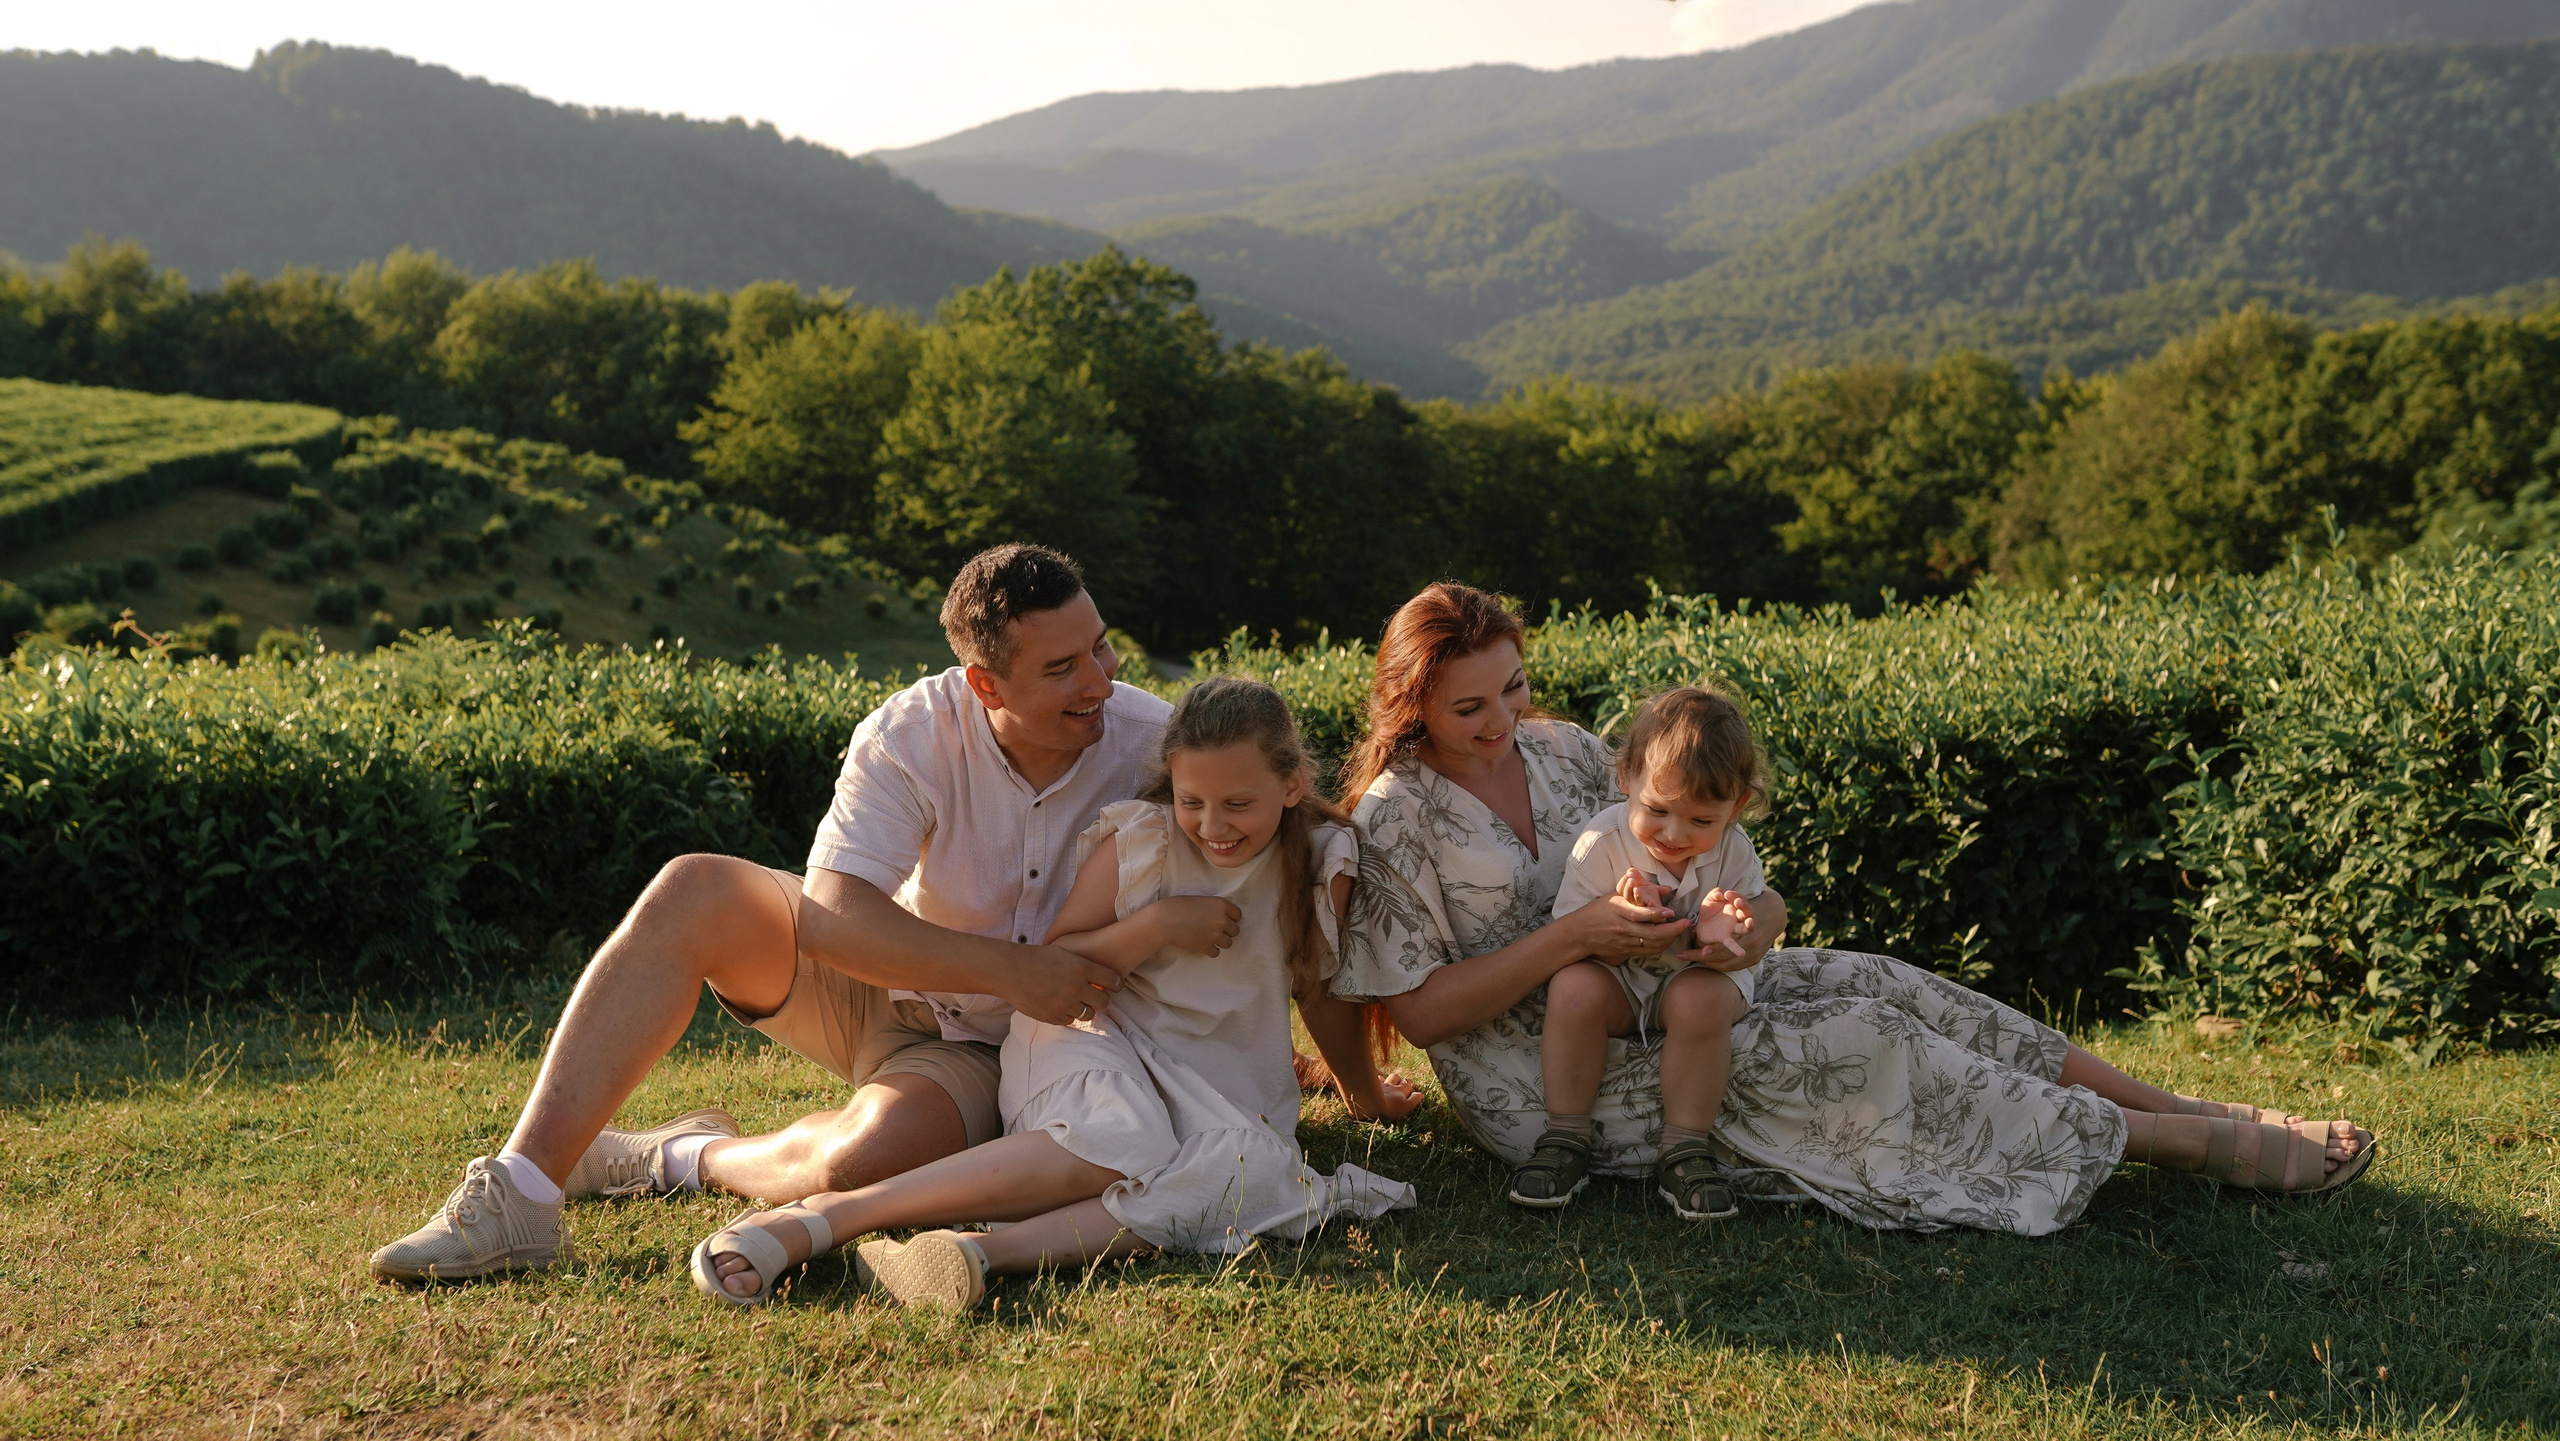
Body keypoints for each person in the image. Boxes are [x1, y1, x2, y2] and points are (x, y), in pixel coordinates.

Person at [1332, 582, 2376, 1236]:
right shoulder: (1395, 817)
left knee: (1883, 978)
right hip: (1545, 1078)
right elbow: (1420, 1017)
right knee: (1863, 1039)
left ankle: (2188, 1106)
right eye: (1468, 706)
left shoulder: (1562, 749)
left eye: (1512, 688)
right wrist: (1578, 936)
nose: (1501, 720)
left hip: (1672, 987)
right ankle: (2180, 1150)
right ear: (1409, 702)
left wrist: (1749, 926)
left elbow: (1725, 869)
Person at [369, 544, 1166, 1281]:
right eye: (1063, 667)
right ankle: (520, 1193)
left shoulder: (1153, 743)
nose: (1101, 679)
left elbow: (1275, 861)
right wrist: (1014, 970)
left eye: (1100, 645)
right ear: (985, 684)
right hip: (892, 984)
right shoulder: (910, 734)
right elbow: (833, 916)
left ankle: (684, 1156)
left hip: (1027, 1050)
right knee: (696, 889)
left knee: (856, 1164)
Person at [686, 676, 1416, 1310]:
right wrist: (1155, 925)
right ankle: (827, 1219)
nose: (1213, 826)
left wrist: (1363, 1093)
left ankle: (974, 1252)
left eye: (1239, 804)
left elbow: (1320, 990)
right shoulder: (1145, 843)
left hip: (1214, 1079)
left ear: (1291, 786)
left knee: (1246, 1173)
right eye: (1193, 799)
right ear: (1170, 782)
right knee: (1121, 1138)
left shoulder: (1320, 861)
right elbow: (1061, 959)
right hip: (1091, 1033)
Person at [1511, 686, 1768, 1222]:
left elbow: (1740, 934)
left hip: (1690, 982)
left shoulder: (1735, 851)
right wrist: (1621, 920)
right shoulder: (1600, 845)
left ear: (1737, 806)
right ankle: (1566, 1136)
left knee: (1700, 1000)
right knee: (1573, 988)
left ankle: (1684, 1147)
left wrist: (1719, 930)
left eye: (1702, 821)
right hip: (1619, 983)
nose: (1674, 835)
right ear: (1626, 777)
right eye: (1657, 810)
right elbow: (1571, 943)